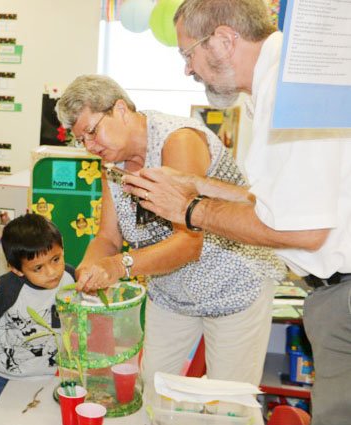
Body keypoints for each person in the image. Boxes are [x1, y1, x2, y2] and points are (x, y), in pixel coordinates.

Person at [121, 2, 351, 423]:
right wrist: (197, 184)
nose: (187, 70)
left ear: (225, 40)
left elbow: (305, 230)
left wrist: (191, 209)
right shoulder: (268, 88)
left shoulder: (293, 85)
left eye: (188, 54)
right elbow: (273, 203)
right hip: (330, 294)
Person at [55, 74, 286, 389]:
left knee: (229, 398)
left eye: (92, 132)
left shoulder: (179, 140)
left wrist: (117, 266)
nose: (90, 146)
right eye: (81, 140)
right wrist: (89, 268)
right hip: (172, 291)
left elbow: (188, 243)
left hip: (235, 284)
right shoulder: (112, 165)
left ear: (120, 109)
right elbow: (108, 238)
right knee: (154, 385)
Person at [0, 213, 76, 402]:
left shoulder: (71, 278)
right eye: (38, 268)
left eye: (56, 259)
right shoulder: (4, 289)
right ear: (17, 269)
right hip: (5, 378)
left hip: (53, 375)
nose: (51, 272)